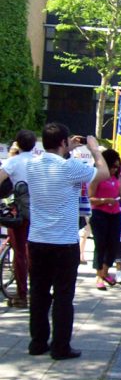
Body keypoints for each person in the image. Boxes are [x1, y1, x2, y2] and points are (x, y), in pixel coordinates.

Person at [25, 123, 109, 360]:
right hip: (63, 242)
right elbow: (102, 173)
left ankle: (37, 342)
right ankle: (60, 347)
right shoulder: (70, 167)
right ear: (63, 143)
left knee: (39, 294)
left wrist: (66, 149)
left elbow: (51, 158)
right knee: (63, 296)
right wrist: (94, 149)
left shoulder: (32, 164)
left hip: (37, 239)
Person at [0, 129, 37, 308]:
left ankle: (22, 295)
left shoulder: (13, 162)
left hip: (21, 211)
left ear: (18, 143)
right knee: (36, 251)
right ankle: (39, 291)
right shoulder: (39, 162)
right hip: (40, 211)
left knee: (20, 253)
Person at [88, 149, 121, 290]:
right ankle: (98, 275)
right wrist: (104, 200)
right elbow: (90, 198)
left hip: (115, 214)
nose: (115, 170)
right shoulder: (97, 177)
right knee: (100, 244)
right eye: (112, 167)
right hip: (100, 214)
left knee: (113, 244)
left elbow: (119, 193)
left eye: (117, 167)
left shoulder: (117, 178)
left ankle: (105, 271)